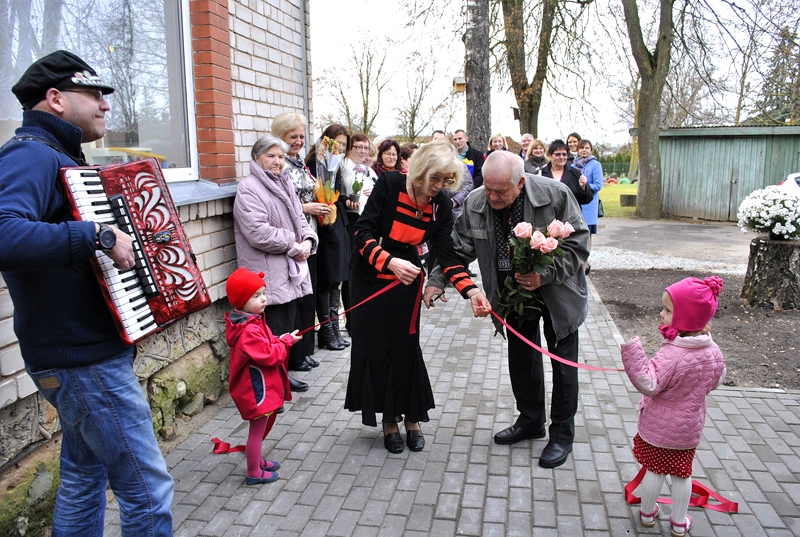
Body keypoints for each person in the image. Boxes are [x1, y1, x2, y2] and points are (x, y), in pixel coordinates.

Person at [0, 50, 174, 535]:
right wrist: (96, 234)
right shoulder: (30, 154)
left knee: (84, 476)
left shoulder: (58, 158)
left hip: (79, 355)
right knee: (148, 490)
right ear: (56, 99)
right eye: (94, 94)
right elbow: (3, 233)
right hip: (83, 361)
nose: (105, 104)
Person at [424, 150, 590, 468]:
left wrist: (544, 274)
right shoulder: (476, 201)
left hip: (559, 294)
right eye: (488, 188)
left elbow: (579, 243)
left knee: (563, 366)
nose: (492, 196)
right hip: (512, 294)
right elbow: (457, 248)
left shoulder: (555, 195)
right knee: (521, 359)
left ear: (521, 182)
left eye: (500, 191)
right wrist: (437, 280)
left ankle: (561, 435)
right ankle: (531, 420)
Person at [345, 140, 490, 453]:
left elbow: (448, 256)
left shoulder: (442, 206)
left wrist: (472, 291)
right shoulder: (389, 183)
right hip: (369, 275)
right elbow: (362, 233)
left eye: (446, 180)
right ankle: (389, 421)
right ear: (420, 170)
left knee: (406, 346)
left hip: (407, 278)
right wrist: (389, 261)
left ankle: (412, 418)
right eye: (434, 178)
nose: (438, 186)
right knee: (376, 346)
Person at [621, 276, 726, 536]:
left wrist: (633, 352)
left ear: (687, 318)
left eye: (668, 310)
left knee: (655, 470)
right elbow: (717, 380)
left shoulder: (673, 353)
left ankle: (647, 514)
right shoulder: (713, 350)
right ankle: (679, 522)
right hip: (688, 429)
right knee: (682, 474)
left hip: (659, 428)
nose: (661, 313)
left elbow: (649, 383)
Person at [233, 134, 318, 391]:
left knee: (285, 327)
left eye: (281, 156)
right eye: (271, 156)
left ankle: (281, 378)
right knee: (270, 331)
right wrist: (294, 244)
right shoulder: (249, 188)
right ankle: (270, 387)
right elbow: (258, 232)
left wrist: (308, 241)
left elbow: (300, 219)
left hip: (286, 270)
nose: (277, 161)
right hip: (266, 271)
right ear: (256, 157)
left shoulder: (284, 182)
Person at [224, 268, 302, 485]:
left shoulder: (253, 321)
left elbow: (267, 343)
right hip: (256, 390)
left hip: (259, 386)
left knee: (259, 429)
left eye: (263, 293)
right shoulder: (249, 329)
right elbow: (269, 355)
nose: (263, 299)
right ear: (242, 301)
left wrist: (282, 338)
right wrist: (286, 343)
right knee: (257, 432)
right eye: (256, 296)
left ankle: (257, 462)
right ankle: (253, 473)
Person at [271, 112, 325, 369]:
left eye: (302, 137)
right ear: (279, 136)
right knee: (295, 301)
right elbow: (282, 203)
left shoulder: (299, 162)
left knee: (307, 300)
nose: (298, 141)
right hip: (291, 239)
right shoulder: (280, 167)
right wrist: (307, 208)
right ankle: (294, 355)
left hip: (308, 236)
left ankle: (304, 351)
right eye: (293, 136)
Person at [305, 124, 352, 351]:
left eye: (344, 144)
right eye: (337, 143)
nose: (340, 148)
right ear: (327, 140)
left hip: (337, 222)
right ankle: (326, 330)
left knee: (336, 279)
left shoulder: (337, 164)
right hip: (324, 227)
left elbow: (338, 193)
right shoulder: (316, 163)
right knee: (327, 278)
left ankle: (333, 328)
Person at [339, 133, 378, 335]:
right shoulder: (342, 167)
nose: (363, 151)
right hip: (350, 221)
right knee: (351, 274)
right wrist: (347, 199)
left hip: (366, 222)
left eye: (366, 148)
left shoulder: (368, 169)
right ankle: (351, 321)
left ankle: (362, 318)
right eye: (358, 147)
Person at [572, 139, 603, 275]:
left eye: (587, 148)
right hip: (575, 203)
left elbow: (598, 184)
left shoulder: (595, 165)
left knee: (587, 233)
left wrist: (584, 187)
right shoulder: (573, 165)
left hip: (589, 204)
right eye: (581, 148)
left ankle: (585, 262)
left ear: (591, 150)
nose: (584, 150)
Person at [540, 139, 593, 205]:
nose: (561, 157)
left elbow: (587, 199)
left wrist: (583, 188)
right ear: (550, 156)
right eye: (558, 154)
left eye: (564, 154)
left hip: (570, 211)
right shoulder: (541, 174)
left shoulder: (575, 174)